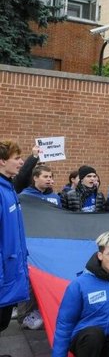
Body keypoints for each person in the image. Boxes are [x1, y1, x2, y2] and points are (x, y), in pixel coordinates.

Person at [52, 231, 109, 357]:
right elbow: (65, 323)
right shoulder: (80, 284)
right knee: (94, 336)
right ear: (100, 255)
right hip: (86, 338)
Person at [0, 140, 29, 337]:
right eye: (17, 158)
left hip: (11, 268)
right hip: (3, 272)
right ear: (2, 161)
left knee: (2, 322)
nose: (21, 162)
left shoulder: (9, 188)